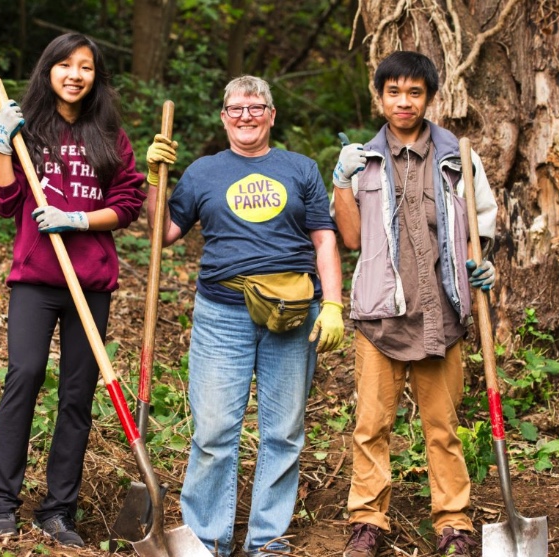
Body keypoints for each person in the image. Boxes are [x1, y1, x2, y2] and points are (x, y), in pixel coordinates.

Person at [145, 75, 344, 557]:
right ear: (223, 117)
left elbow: (324, 239)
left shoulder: (300, 169)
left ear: (272, 115)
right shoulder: (201, 172)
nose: (246, 116)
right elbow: (161, 234)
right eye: (236, 108)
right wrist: (154, 181)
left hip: (293, 312)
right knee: (213, 432)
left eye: (256, 108)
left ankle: (267, 542)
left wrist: (336, 303)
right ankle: (206, 541)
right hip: (221, 314)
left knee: (283, 432)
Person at [330, 51, 497, 557]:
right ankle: (368, 522)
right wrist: (340, 181)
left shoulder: (458, 157)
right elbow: (352, 237)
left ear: (429, 97)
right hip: (381, 314)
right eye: (394, 92)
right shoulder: (361, 159)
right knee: (371, 426)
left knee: (443, 427)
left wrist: (483, 265)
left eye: (415, 93)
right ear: (379, 97)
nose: (404, 102)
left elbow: (480, 228)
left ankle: (453, 523)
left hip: (441, 311)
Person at [0, 33, 146, 545]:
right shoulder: (28, 128)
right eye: (65, 65)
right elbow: (5, 201)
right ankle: (1, 501)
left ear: (96, 77)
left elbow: (128, 202)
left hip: (89, 282)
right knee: (24, 375)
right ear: (48, 70)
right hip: (36, 280)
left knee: (77, 394)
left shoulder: (109, 134)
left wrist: (77, 218)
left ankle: (58, 511)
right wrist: (1, 143)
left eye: (86, 67)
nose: (75, 74)